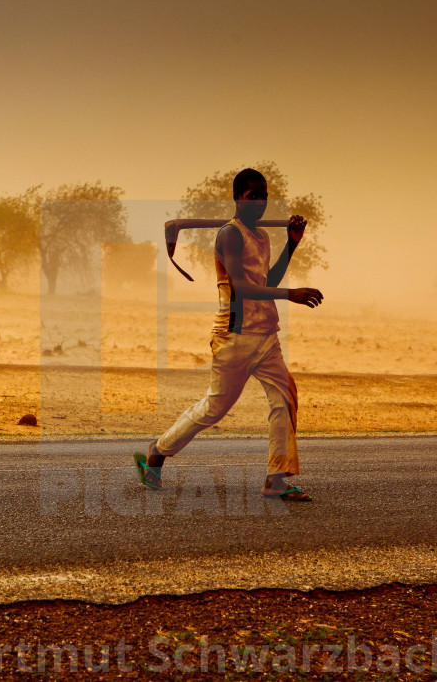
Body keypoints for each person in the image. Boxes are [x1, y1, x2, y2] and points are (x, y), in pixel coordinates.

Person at [134, 168, 324, 501]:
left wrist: (291, 247)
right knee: (215, 407)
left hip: (265, 333)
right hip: (234, 334)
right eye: (253, 196)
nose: (260, 202)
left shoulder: (262, 237)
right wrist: (290, 294)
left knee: (283, 398)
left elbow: (266, 280)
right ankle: (158, 451)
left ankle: (275, 479)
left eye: (264, 195)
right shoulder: (229, 235)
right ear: (237, 198)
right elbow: (241, 286)